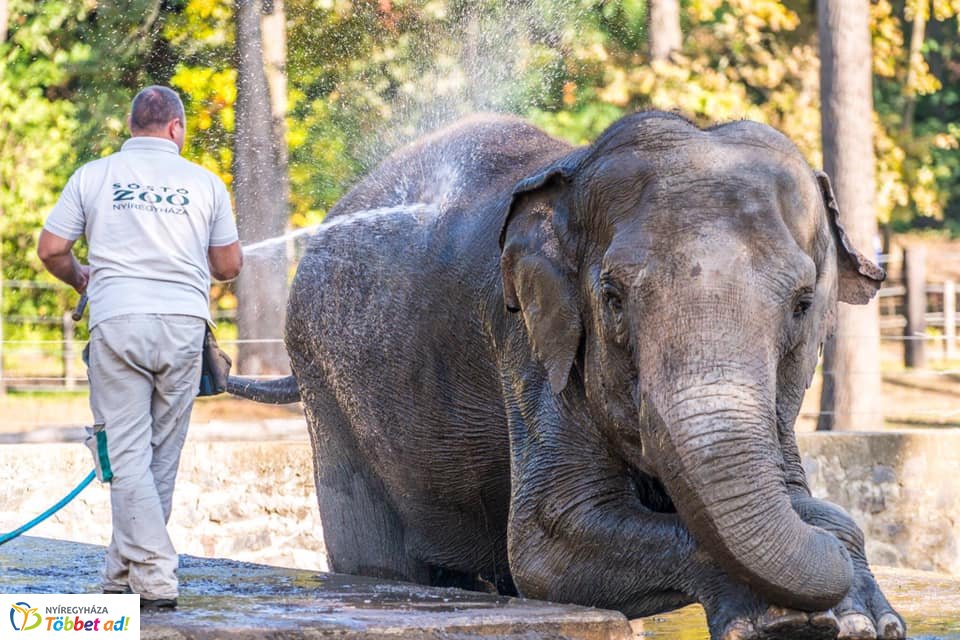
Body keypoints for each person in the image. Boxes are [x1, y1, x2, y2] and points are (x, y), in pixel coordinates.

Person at [37, 85, 243, 609]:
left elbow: (52, 249)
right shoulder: (205, 184)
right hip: (182, 327)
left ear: (132, 127)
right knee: (159, 459)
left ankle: (137, 574)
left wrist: (81, 277)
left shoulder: (95, 175)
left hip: (118, 321)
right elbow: (229, 266)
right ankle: (140, 574)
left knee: (128, 457)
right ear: (176, 128)